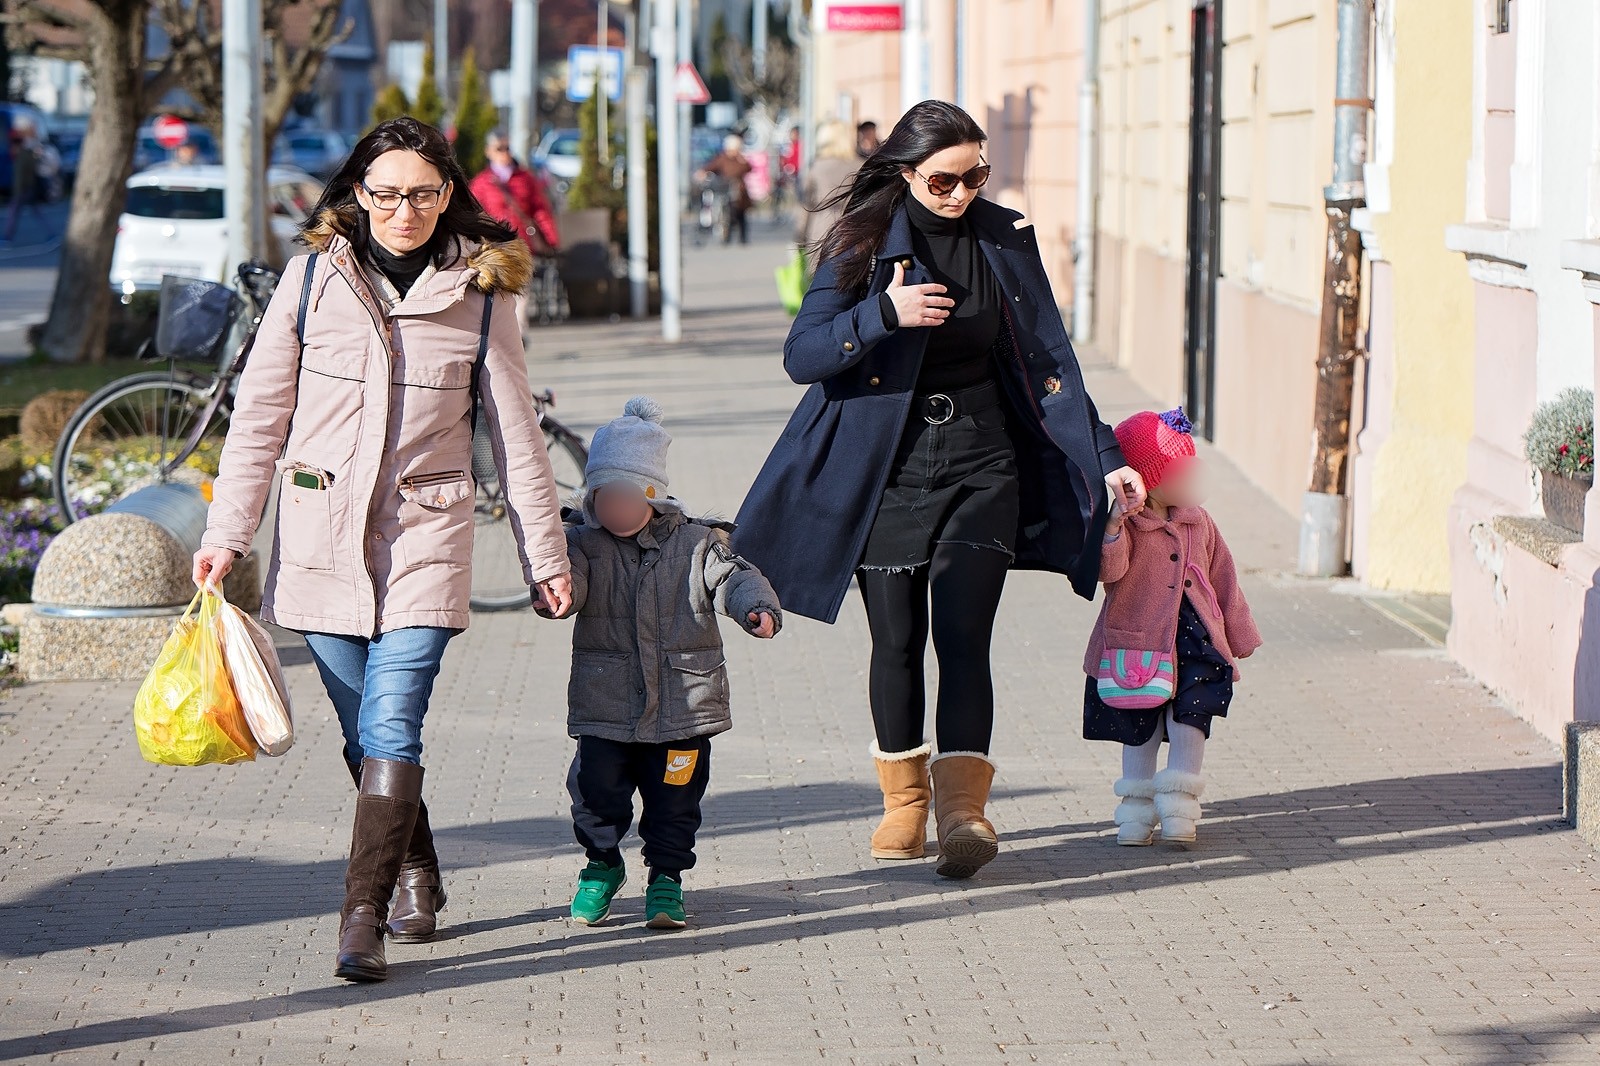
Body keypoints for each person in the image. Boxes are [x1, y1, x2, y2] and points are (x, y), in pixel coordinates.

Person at [192, 117, 574, 983]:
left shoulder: (483, 295)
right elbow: (258, 425)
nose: (406, 211)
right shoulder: (306, 285)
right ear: (356, 193)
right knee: (365, 735)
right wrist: (227, 537)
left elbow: (517, 439)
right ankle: (416, 869)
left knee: (393, 719)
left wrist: (544, 558)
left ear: (450, 195)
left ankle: (358, 918)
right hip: (321, 538)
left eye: (425, 193)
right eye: (388, 192)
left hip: (425, 538)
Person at [734, 101, 1147, 880]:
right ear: (906, 174)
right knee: (897, 640)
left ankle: (964, 811)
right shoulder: (862, 240)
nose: (963, 194)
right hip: (887, 467)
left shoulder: (1003, 238)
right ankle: (904, 804)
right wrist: (884, 313)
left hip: (982, 460)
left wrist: (1103, 452)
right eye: (946, 181)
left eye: (976, 176)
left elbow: (1052, 360)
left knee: (964, 632)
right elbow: (803, 354)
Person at [538, 397, 781, 930]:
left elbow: (734, 578)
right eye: (603, 500)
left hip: (683, 708)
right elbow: (568, 584)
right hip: (606, 704)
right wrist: (554, 592)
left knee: (676, 800)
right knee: (596, 791)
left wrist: (755, 608)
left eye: (625, 499)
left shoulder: (698, 543)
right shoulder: (581, 542)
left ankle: (666, 879)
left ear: (653, 496)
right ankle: (601, 865)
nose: (614, 511)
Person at [1086, 409, 1261, 847]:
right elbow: (1109, 571)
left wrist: (1239, 635)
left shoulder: (1198, 520)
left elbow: (1224, 578)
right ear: (1147, 476)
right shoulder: (1129, 523)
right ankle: (1135, 814)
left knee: (1191, 720)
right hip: (1137, 641)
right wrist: (1113, 524)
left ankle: (1181, 810)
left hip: (1196, 638)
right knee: (1138, 722)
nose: (1189, 478)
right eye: (1177, 470)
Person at [470, 131, 561, 256]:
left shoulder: (525, 178)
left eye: (507, 148)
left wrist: (551, 240)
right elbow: (474, 215)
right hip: (496, 247)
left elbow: (540, 210)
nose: (505, 153)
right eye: (499, 149)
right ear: (488, 151)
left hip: (524, 245)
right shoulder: (481, 183)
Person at [794, 120, 860, 258]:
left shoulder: (817, 168)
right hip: (852, 229)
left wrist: (799, 237)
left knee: (820, 275)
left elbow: (807, 205)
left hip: (821, 229)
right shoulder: (860, 166)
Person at [698, 134, 753, 245]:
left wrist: (742, 160)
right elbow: (709, 167)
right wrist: (702, 173)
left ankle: (743, 238)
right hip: (724, 188)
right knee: (725, 211)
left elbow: (749, 168)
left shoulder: (741, 159)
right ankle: (726, 236)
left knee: (741, 214)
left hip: (739, 191)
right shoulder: (722, 159)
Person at [2, 123, 53, 244]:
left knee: (13, 212)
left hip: (23, 190)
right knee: (36, 212)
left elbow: (22, 176)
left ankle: (7, 236)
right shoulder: (25, 154)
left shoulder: (23, 155)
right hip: (27, 189)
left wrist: (18, 191)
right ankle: (51, 233)